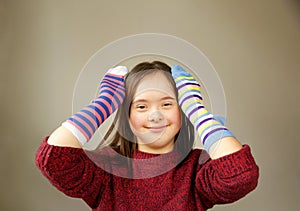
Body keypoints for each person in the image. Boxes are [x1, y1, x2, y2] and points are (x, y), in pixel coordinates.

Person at [35, 61, 259, 210]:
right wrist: (104, 104)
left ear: (182, 112)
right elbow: (53, 160)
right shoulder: (107, 167)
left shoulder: (196, 168)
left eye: (167, 104)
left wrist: (197, 111)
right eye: (141, 107)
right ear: (127, 116)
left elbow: (241, 176)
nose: (155, 116)